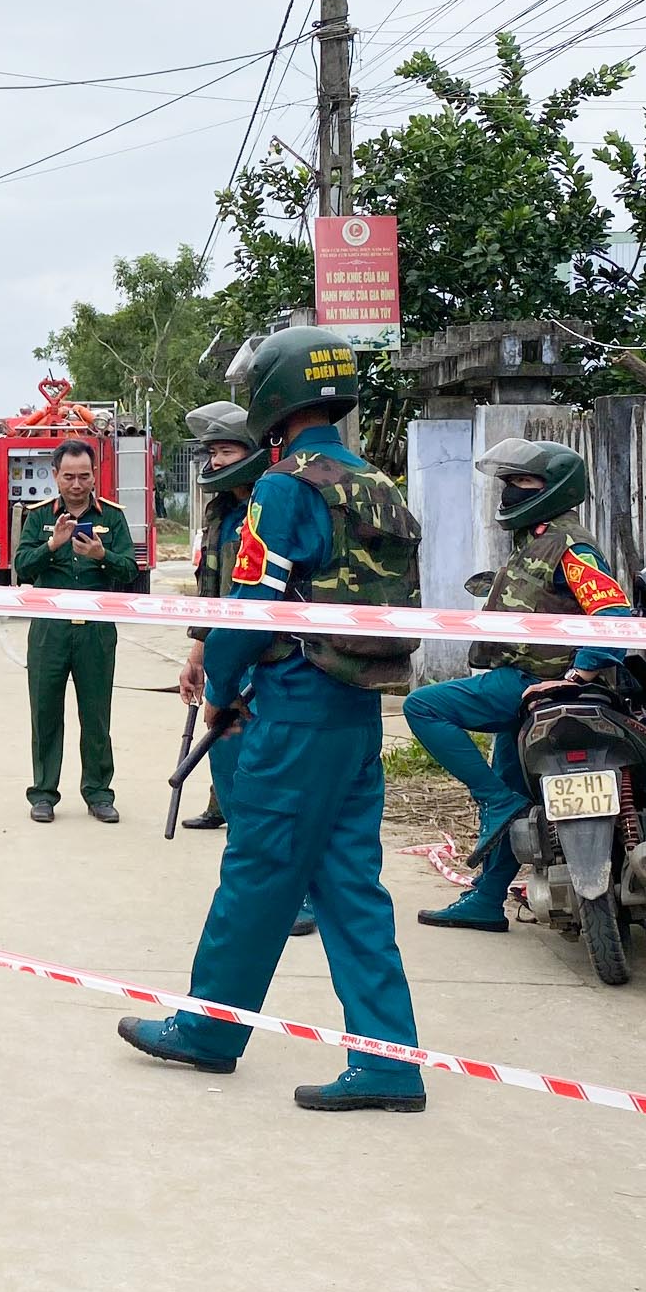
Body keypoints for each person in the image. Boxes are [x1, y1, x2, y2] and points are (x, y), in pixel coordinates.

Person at [118, 327, 427, 1111]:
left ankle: (209, 1032)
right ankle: (387, 1059)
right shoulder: (374, 481)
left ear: (272, 396)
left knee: (255, 873)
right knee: (350, 885)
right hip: (357, 711)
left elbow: (253, 604)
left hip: (291, 711)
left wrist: (219, 684)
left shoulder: (285, 486)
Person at [407, 438, 634, 933]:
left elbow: (614, 614)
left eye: (524, 482)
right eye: (508, 483)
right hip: (531, 687)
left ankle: (492, 799)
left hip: (536, 685)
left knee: (423, 708)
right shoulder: (537, 539)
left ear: (555, 489)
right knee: (517, 790)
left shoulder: (572, 546)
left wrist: (579, 675)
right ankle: (488, 901)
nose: (509, 492)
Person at [174, 401, 319, 938]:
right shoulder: (218, 513)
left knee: (275, 791)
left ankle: (297, 899)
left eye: (227, 449)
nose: (216, 460)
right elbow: (213, 593)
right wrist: (199, 654)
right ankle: (256, 887)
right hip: (228, 665)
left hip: (274, 667)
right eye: (210, 451)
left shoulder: (271, 503)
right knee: (229, 774)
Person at [14, 438, 136, 824]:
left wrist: (102, 556)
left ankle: (99, 792)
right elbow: (23, 567)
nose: (77, 485)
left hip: (96, 632)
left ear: (95, 475)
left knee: (96, 714)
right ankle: (44, 793)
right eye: (69, 477)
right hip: (50, 631)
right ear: (55, 476)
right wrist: (53, 544)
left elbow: (131, 570)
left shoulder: (113, 517)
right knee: (45, 712)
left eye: (84, 476)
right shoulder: (38, 517)